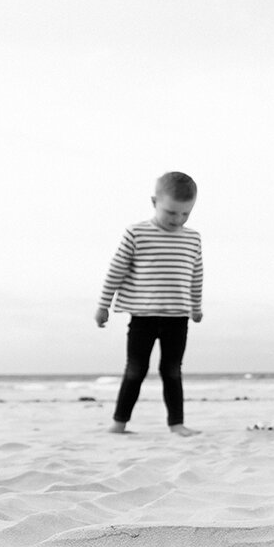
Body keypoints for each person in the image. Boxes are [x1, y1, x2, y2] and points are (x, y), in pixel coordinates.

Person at [96, 171, 204, 436]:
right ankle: (119, 423)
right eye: (171, 212)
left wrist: (196, 306)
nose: (177, 219)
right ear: (154, 201)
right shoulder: (136, 234)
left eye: (185, 214)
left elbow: (196, 274)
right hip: (143, 317)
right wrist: (103, 305)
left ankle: (177, 424)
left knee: (172, 371)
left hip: (177, 317)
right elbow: (116, 271)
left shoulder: (192, 238)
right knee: (135, 370)